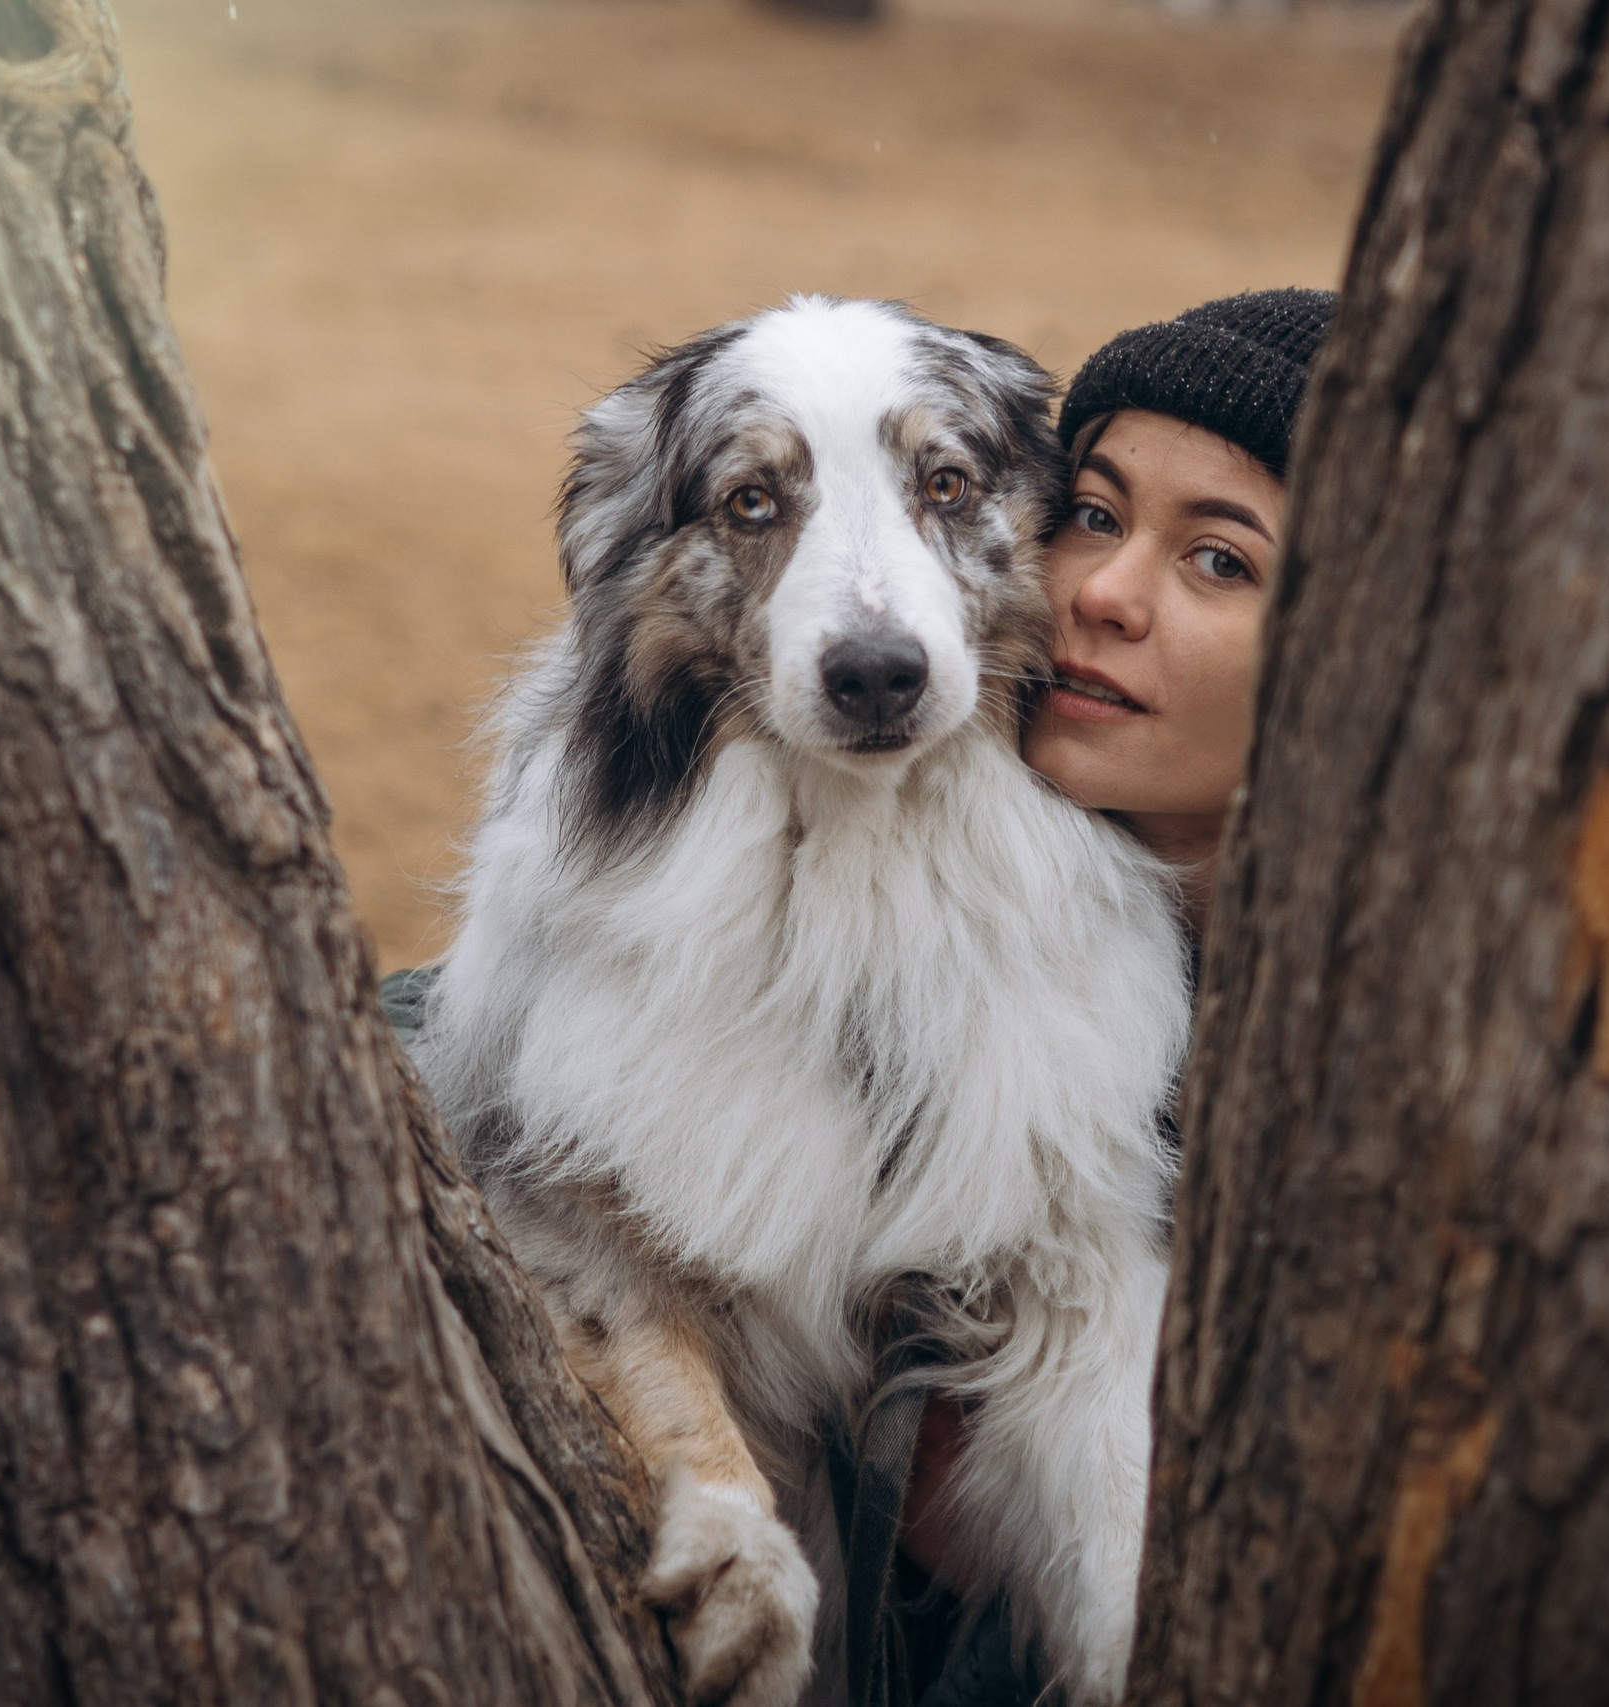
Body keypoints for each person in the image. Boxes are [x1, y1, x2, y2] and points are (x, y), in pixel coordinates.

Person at [384, 287, 1337, 1706]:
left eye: (943, 485)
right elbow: (506, 1137)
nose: (1102, 599)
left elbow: (1084, 1326)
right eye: (1092, 517)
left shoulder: (1324, 1046)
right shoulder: (1019, 815)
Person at [870, 288, 1335, 1707]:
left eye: (1217, 560)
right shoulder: (895, 849)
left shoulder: (1356, 1075)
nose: (1103, 594)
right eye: (1088, 512)